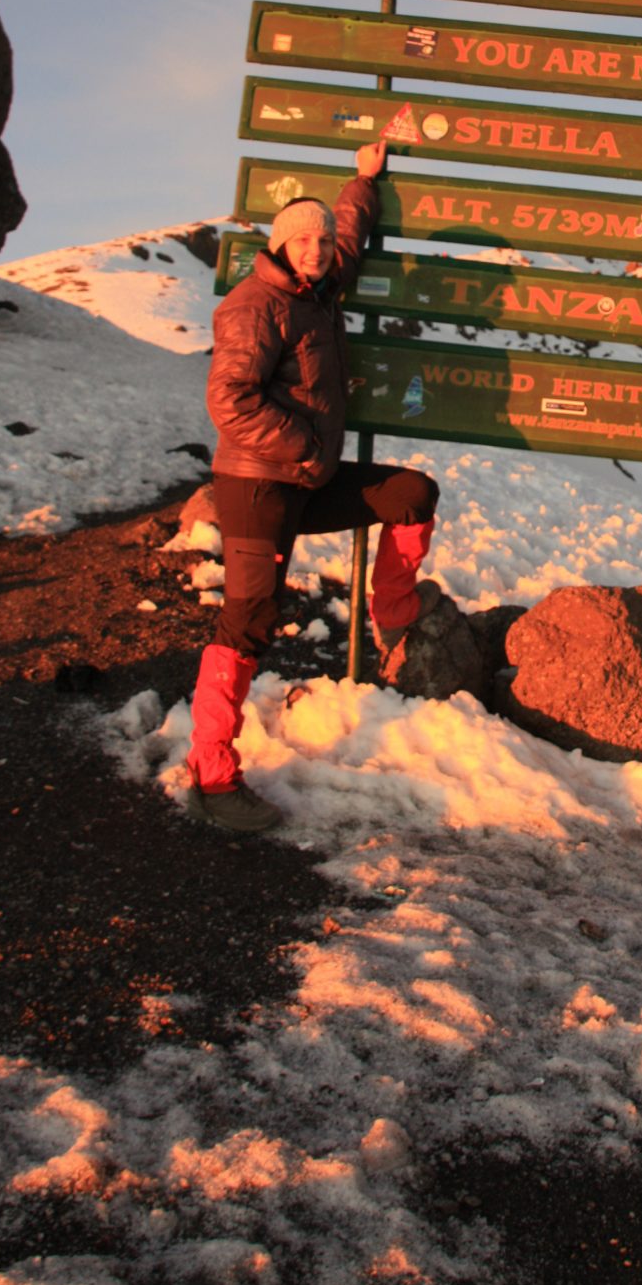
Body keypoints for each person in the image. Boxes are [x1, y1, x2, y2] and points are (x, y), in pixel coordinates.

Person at [187, 141, 439, 832]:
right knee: (249, 619)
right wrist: (301, 448)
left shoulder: (320, 285)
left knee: (410, 494)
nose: (317, 249)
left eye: (322, 240)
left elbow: (349, 235)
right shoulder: (255, 305)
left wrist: (361, 182)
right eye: (304, 240)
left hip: (304, 478)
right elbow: (229, 400)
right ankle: (211, 778)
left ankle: (393, 615)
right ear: (281, 246)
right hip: (259, 485)